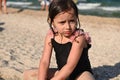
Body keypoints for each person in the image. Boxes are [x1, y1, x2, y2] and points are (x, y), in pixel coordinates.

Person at [23, 0, 95, 80]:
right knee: (28, 74)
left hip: (80, 74)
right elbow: (45, 62)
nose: (67, 27)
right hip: (62, 73)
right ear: (52, 22)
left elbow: (70, 65)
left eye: (72, 21)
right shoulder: (51, 36)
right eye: (62, 22)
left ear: (76, 18)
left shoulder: (78, 37)